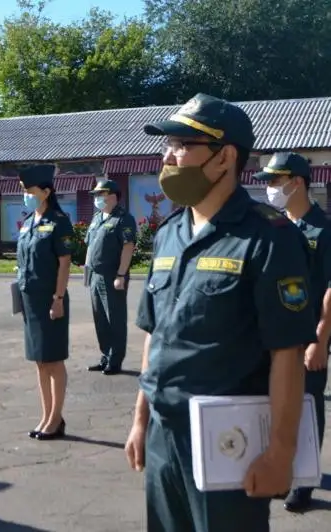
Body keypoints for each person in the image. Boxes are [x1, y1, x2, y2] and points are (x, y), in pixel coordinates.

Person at [125, 93, 316, 532]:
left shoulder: (268, 237)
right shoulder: (170, 232)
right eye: (167, 146)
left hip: (228, 442)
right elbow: (154, 335)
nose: (169, 157)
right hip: (162, 434)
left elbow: (286, 354)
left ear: (225, 156)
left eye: (182, 146)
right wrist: (140, 421)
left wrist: (280, 454)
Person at [253, 151, 331, 512]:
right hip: (274, 335)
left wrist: (321, 338)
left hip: (309, 336)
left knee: (307, 406)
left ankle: (305, 481)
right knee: (278, 404)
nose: (268, 187)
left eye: (274, 180)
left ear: (296, 182)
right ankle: (283, 468)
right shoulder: (274, 225)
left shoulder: (323, 229)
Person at [15, 165, 74, 441]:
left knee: (53, 360)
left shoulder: (59, 221)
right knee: (39, 361)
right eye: (24, 190)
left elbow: (64, 263)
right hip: (30, 301)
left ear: (46, 191)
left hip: (50, 299)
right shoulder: (28, 222)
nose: (25, 194)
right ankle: (46, 415)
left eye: (29, 190)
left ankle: (55, 418)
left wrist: (58, 298)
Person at [84, 179, 136, 375]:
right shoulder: (97, 218)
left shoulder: (123, 219)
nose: (97, 198)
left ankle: (115, 360)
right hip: (96, 275)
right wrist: (87, 270)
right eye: (96, 195)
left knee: (115, 318)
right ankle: (105, 356)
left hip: (113, 275)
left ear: (113, 195)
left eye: (101, 194)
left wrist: (121, 274)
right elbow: (90, 245)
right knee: (100, 319)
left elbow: (128, 247)